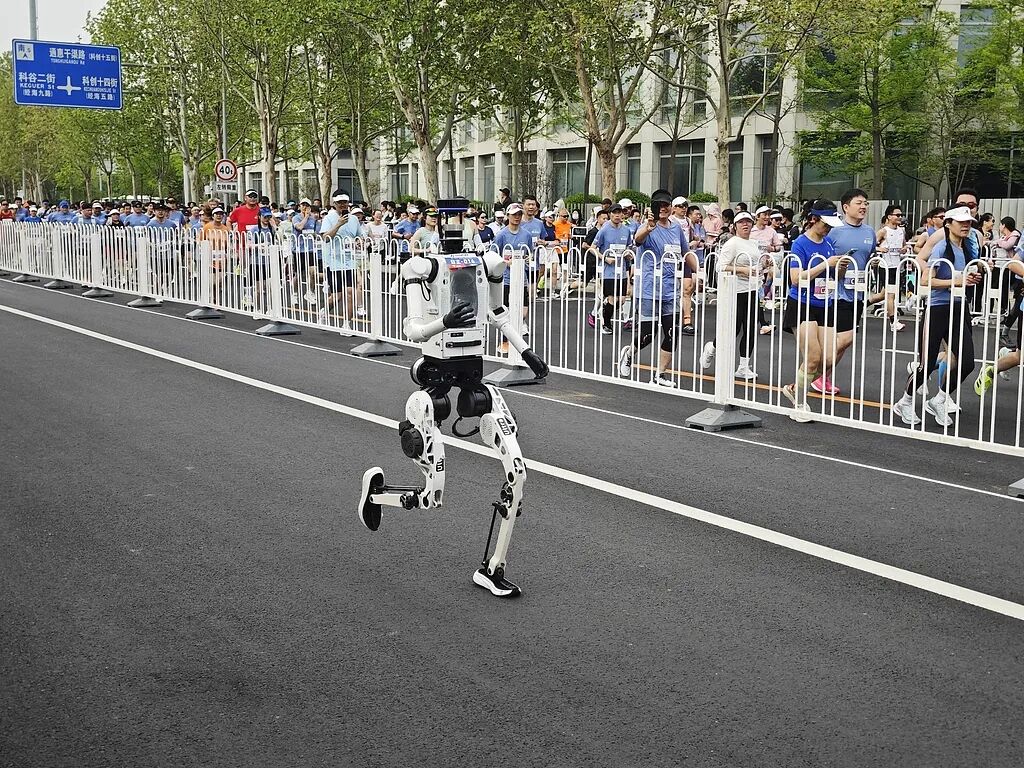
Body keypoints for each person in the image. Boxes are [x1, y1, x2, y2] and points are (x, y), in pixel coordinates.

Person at [893, 207, 982, 427]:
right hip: (937, 309)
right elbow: (925, 281)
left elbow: (964, 277)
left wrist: (975, 274)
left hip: (959, 308)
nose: (966, 226)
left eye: (969, 222)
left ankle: (939, 400)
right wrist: (957, 281)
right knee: (926, 364)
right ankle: (905, 402)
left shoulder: (968, 248)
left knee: (967, 363)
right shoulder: (942, 247)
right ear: (948, 224)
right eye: (961, 222)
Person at [779, 201, 846, 422]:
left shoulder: (828, 244)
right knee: (812, 357)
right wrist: (826, 264)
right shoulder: (800, 243)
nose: (828, 229)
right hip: (802, 303)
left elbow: (833, 276)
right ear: (813, 219)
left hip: (824, 304)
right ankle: (800, 403)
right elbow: (796, 279)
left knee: (829, 358)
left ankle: (793, 388)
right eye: (826, 224)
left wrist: (840, 268)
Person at [618, 198, 696, 387]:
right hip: (649, 289)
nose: (663, 208)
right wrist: (648, 227)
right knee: (648, 333)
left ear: (671, 208)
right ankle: (629, 352)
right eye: (658, 205)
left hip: (671, 289)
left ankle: (660, 375)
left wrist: (699, 271)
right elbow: (637, 240)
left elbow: (685, 253)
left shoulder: (676, 228)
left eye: (666, 205)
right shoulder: (647, 226)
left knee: (672, 333)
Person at [819, 188, 878, 396]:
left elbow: (870, 257)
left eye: (865, 203)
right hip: (836, 292)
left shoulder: (870, 232)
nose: (863, 207)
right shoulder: (834, 231)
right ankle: (812, 370)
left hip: (858, 293)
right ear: (846, 207)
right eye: (858, 203)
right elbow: (823, 258)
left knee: (844, 342)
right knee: (845, 338)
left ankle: (823, 376)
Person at [699, 210, 762, 381]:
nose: (745, 224)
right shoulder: (732, 243)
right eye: (741, 222)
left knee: (750, 329)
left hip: (752, 290)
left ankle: (743, 366)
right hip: (735, 291)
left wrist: (764, 265)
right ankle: (711, 348)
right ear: (735, 226)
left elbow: (756, 266)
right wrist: (743, 270)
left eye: (748, 221)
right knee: (733, 330)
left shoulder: (753, 244)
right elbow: (720, 266)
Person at [590, 204, 634, 335]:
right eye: (614, 213)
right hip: (608, 271)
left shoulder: (626, 230)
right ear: (610, 214)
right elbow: (592, 248)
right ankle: (606, 324)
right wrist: (605, 258)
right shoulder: (604, 229)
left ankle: (605, 309)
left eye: (619, 213)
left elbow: (629, 247)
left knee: (622, 300)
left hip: (622, 270)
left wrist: (628, 254)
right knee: (612, 298)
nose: (617, 215)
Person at [319, 193, 361, 327]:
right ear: (334, 204)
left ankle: (347, 324)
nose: (343, 205)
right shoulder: (329, 218)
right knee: (337, 296)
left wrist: (360, 242)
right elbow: (325, 238)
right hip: (333, 262)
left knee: (350, 292)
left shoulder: (354, 219)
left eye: (345, 202)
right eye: (339, 202)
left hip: (350, 261)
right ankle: (324, 311)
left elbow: (360, 236)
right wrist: (338, 224)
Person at [874, 204, 909, 332]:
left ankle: (863, 304)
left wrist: (904, 249)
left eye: (901, 215)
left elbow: (904, 245)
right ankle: (893, 322)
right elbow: (872, 246)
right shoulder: (883, 231)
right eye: (897, 215)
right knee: (891, 295)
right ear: (889, 216)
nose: (900, 217)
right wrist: (880, 249)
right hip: (886, 266)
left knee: (883, 295)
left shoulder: (901, 231)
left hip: (897, 266)